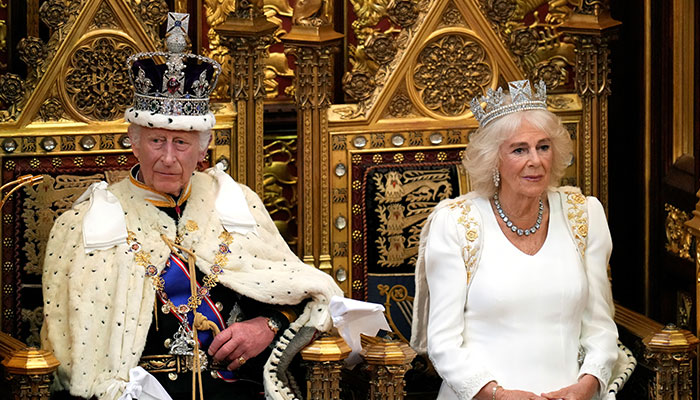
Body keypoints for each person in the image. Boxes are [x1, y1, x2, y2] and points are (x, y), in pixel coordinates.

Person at [40, 12, 342, 400]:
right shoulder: (84, 222)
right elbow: (71, 349)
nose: (168, 158)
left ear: (202, 149)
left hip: (236, 389)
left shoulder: (236, 203)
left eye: (181, 143)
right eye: (156, 141)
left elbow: (299, 290)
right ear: (133, 142)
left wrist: (267, 325)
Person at [410, 80, 620, 400]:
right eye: (519, 149)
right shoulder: (456, 223)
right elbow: (444, 344)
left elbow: (601, 328)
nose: (535, 160)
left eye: (543, 146)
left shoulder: (584, 215)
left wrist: (587, 385)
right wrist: (497, 395)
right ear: (494, 159)